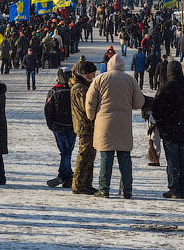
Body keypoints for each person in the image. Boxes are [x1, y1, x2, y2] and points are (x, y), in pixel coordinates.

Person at [86, 54, 145, 199]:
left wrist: (91, 116)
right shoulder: (130, 80)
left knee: (106, 157)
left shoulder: (100, 79)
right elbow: (139, 102)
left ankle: (104, 189)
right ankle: (128, 189)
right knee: (125, 157)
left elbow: (90, 102)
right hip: (124, 123)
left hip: (104, 123)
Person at [153, 60, 184, 199]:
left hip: (169, 130)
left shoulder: (165, 88)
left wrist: (163, 120)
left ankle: (174, 189)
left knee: (173, 160)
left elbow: (156, 109)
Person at [69, 60, 98, 195]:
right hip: (84, 126)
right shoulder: (80, 88)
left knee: (89, 156)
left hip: (87, 126)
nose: (93, 76)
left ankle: (86, 183)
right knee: (84, 156)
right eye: (92, 73)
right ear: (86, 73)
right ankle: (79, 184)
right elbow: (87, 107)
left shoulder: (83, 86)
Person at [44, 67, 76, 188]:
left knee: (65, 151)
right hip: (71, 125)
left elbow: (48, 109)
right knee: (67, 151)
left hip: (59, 125)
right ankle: (67, 176)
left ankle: (63, 175)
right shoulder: (73, 90)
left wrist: (51, 124)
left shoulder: (54, 91)